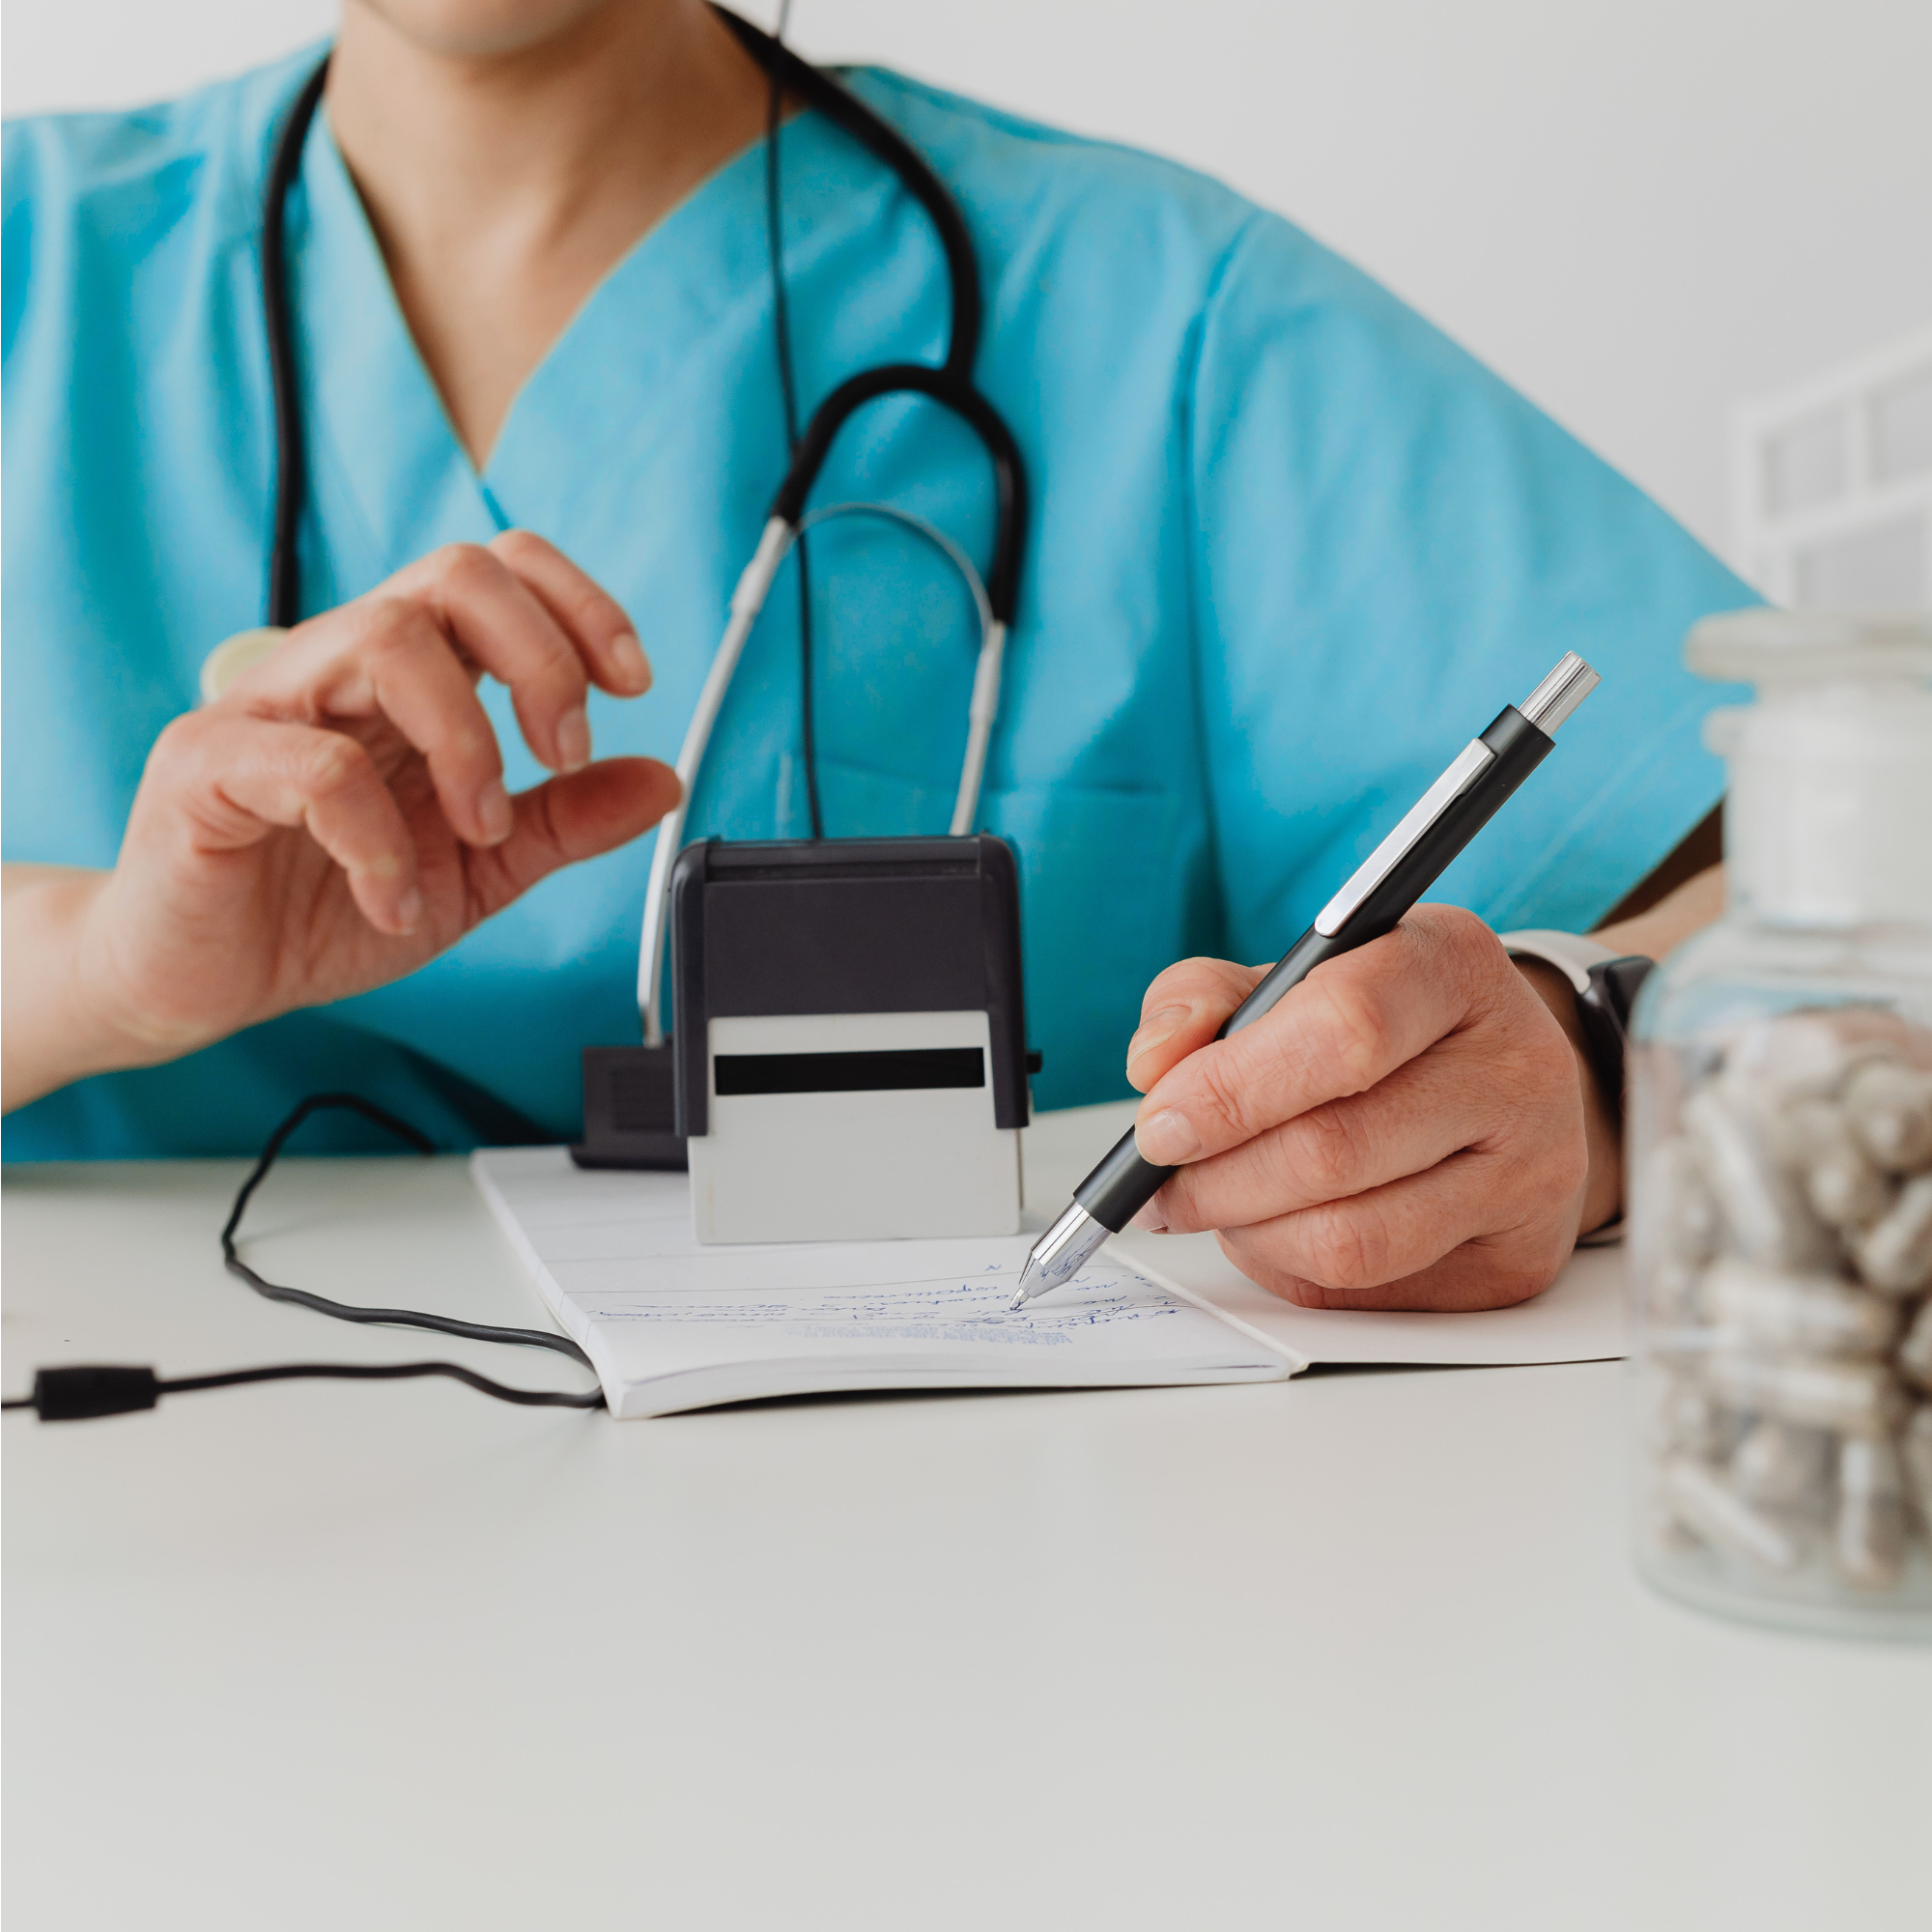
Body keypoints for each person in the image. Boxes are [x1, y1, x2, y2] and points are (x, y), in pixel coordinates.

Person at [2, 0, 1737, 1311]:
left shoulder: (1160, 312)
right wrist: (94, 966)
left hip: (982, 1600)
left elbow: (1848, 853)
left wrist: (1590, 1056)